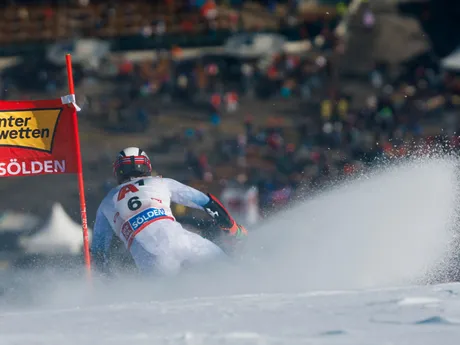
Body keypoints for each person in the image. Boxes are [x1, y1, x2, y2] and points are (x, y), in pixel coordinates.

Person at [91, 147, 247, 276]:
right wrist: (233, 228)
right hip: (182, 241)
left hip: (150, 260)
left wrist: (108, 283)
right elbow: (207, 202)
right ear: (146, 166)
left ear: (118, 171)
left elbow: (98, 253)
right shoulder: (160, 182)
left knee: (171, 305)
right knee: (231, 273)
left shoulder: (106, 202)